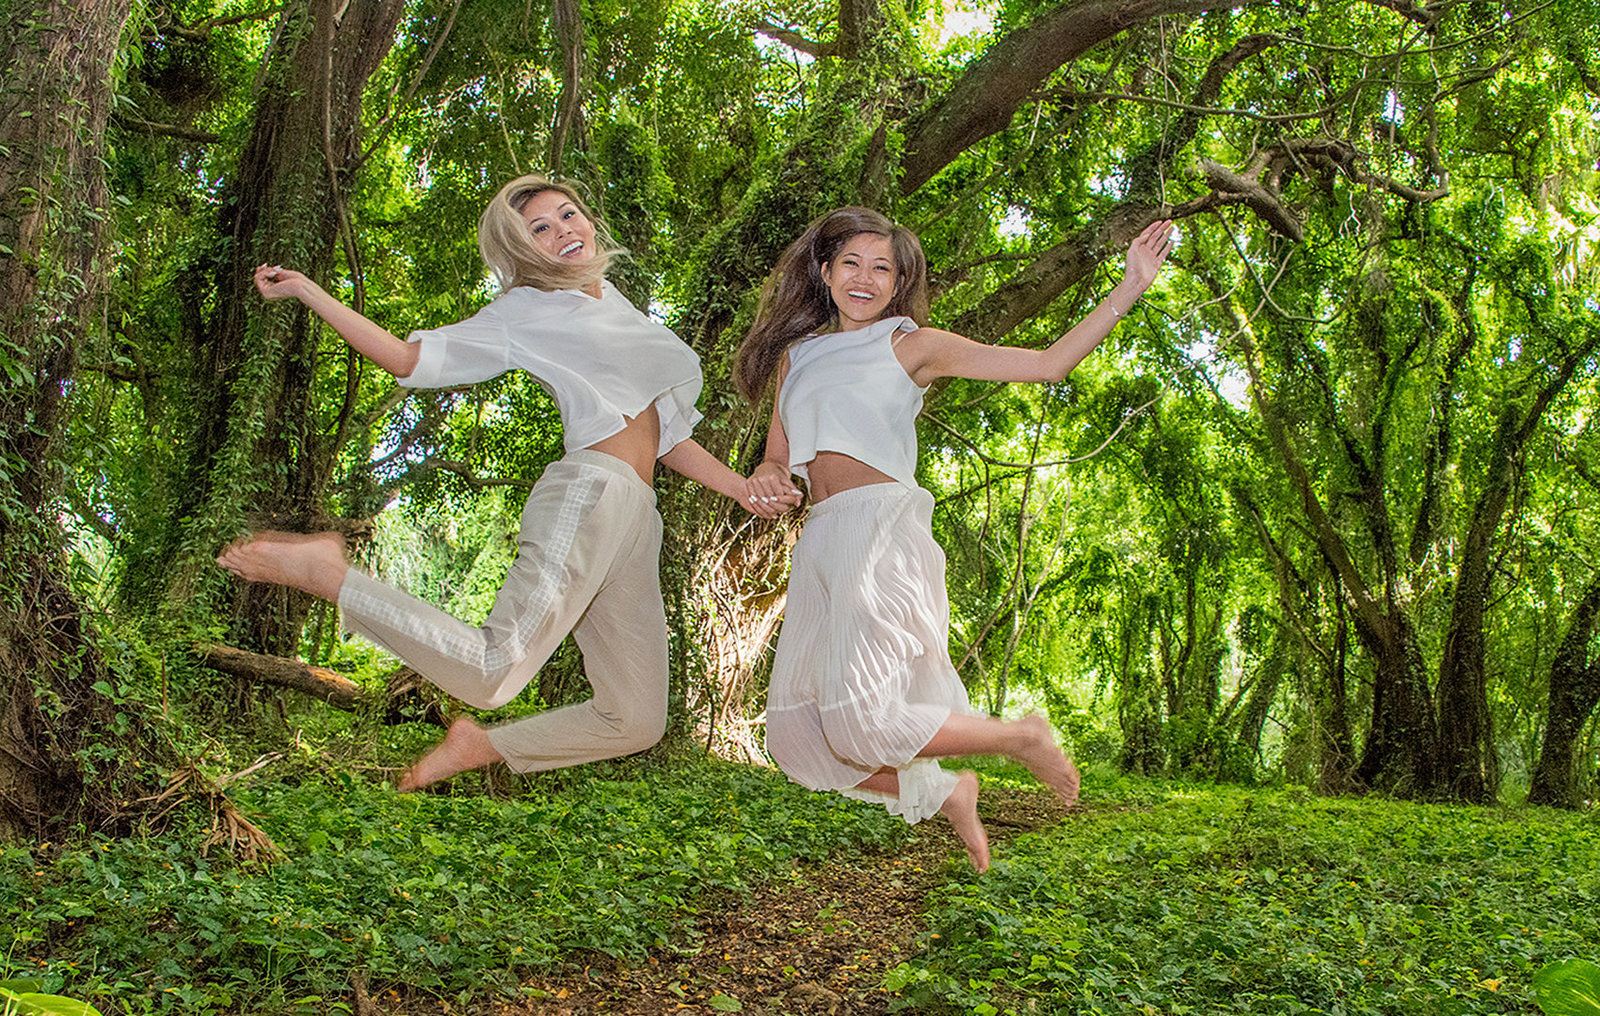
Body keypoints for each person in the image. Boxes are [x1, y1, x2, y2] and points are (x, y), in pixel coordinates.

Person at [217, 173, 800, 791]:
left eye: (567, 215)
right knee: (493, 671)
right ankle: (329, 575)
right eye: (539, 230)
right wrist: (309, 290)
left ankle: (481, 746)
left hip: (637, 514)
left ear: (589, 220)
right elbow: (407, 360)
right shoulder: (526, 309)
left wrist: (741, 488)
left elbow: (669, 437)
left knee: (635, 719)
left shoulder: (621, 310)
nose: (561, 231)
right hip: (590, 494)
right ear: (523, 253)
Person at [736, 206, 1174, 871]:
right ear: (824, 273)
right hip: (821, 539)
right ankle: (943, 792)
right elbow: (777, 453)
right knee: (798, 738)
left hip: (878, 528)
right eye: (850, 263)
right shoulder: (797, 357)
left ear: (899, 282)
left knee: (863, 718)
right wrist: (771, 478)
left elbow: (1048, 365)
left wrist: (1131, 285)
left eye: (883, 268)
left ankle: (1021, 736)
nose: (865, 278)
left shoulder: (913, 345)